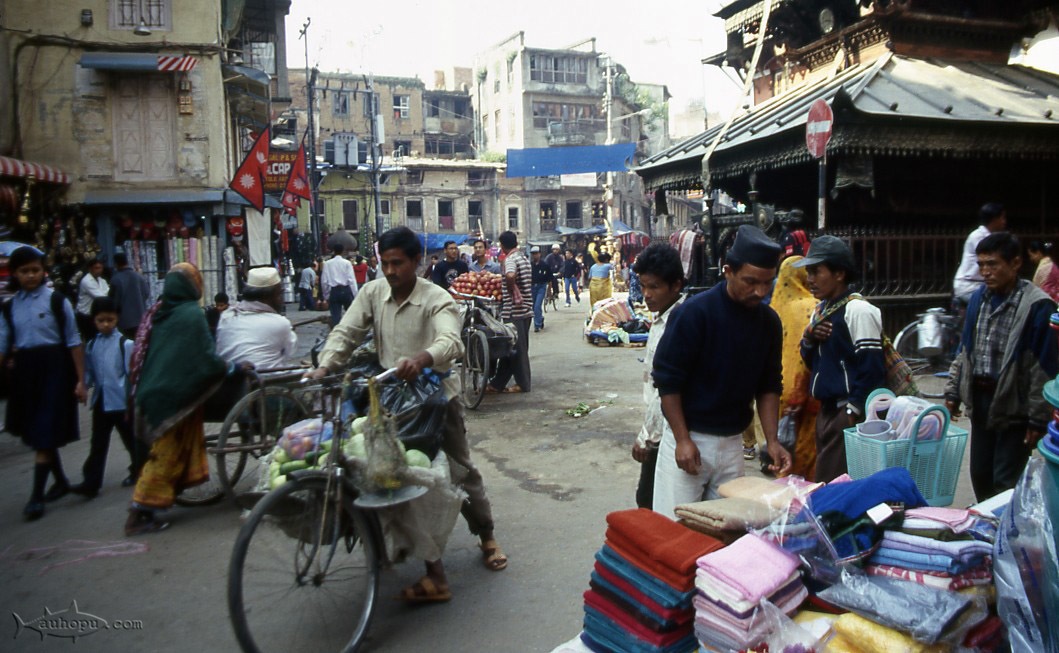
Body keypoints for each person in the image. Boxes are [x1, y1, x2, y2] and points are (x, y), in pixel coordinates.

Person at [305, 226, 507, 603]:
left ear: (418, 262)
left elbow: (450, 340)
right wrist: (324, 366)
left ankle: (487, 534)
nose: (391, 270)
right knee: (393, 475)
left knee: (460, 469)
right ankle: (427, 565)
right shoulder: (372, 292)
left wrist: (422, 358)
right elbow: (346, 332)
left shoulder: (437, 299)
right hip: (389, 400)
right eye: (385, 262)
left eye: (398, 263)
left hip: (434, 398)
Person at [651, 225, 792, 518]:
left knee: (724, 531)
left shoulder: (769, 322)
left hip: (731, 444)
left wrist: (772, 440)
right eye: (750, 281)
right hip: (691, 436)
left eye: (768, 282)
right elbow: (667, 382)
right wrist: (682, 440)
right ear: (727, 271)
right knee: (674, 528)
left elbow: (769, 385)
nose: (760, 291)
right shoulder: (694, 313)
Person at [126, 263, 246, 535]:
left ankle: (157, 501)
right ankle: (138, 512)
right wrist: (234, 368)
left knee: (168, 450)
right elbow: (204, 359)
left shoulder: (160, 312)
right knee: (165, 454)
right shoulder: (191, 314)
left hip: (151, 391)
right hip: (172, 395)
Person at [944, 232, 1058, 500]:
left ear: (1015, 263)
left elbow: (1042, 368)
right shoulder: (977, 300)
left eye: (993, 264)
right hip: (981, 401)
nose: (985, 271)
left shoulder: (1037, 305)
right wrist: (952, 392)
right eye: (982, 264)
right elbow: (965, 352)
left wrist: (1037, 419)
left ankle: (1005, 536)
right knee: (980, 474)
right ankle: (986, 534)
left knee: (1005, 480)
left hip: (1015, 406)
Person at [0, 246, 87, 520]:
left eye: (35, 270)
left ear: (43, 271)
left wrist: (81, 380)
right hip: (26, 371)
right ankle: (60, 480)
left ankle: (36, 496)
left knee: (45, 428)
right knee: (36, 430)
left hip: (55, 369)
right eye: (24, 271)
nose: (30, 276)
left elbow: (74, 342)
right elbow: (3, 343)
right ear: (15, 274)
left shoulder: (57, 301)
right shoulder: (9, 307)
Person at [795, 235, 886, 483]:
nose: (810, 279)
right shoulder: (821, 310)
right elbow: (809, 360)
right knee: (826, 481)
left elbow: (872, 368)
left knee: (835, 486)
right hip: (826, 410)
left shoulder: (858, 310)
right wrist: (809, 338)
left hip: (845, 413)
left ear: (839, 274)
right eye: (808, 272)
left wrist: (851, 410)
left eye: (816, 272)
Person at [70, 297, 142, 498]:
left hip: (121, 402)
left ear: (117, 319)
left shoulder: (125, 344)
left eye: (109, 320)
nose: (105, 324)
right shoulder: (92, 345)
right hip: (102, 401)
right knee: (98, 443)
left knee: (130, 440)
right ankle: (91, 482)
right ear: (94, 320)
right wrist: (82, 385)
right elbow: (90, 374)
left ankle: (139, 471)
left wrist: (135, 399)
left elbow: (133, 374)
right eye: (101, 320)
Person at [631, 243, 685, 509]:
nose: (646, 295)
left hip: (669, 432)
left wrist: (646, 436)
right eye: (643, 286)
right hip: (666, 430)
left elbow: (662, 387)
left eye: (654, 287)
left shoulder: (678, 323)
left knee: (650, 501)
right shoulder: (663, 317)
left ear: (675, 285)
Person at [770, 256, 820, 480]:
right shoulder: (810, 307)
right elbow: (803, 356)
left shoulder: (774, 308)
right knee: (807, 452)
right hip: (804, 393)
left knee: (785, 448)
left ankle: (786, 499)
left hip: (776, 392)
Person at [216, 267, 298, 371]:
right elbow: (289, 353)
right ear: (267, 296)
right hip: (266, 380)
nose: (282, 300)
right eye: (280, 294)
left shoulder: (226, 316)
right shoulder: (280, 323)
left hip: (230, 380)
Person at [488, 231, 533, 394]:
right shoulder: (523, 258)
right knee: (510, 348)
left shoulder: (510, 260)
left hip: (515, 311)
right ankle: (497, 383)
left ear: (502, 245)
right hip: (526, 309)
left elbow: (510, 274)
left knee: (518, 350)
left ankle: (523, 384)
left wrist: (512, 287)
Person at [953, 202, 1007, 307]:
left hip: (979, 284)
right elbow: (993, 260)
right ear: (994, 219)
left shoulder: (989, 236)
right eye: (1002, 217)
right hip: (969, 286)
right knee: (997, 305)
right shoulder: (979, 237)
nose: (1004, 221)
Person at [108, 252, 151, 339]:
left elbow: (114, 302)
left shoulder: (116, 279)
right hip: (140, 318)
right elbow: (146, 293)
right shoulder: (139, 277)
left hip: (124, 321)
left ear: (116, 264)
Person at [321, 243, 358, 327]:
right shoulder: (347, 263)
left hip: (334, 291)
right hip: (346, 290)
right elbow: (351, 280)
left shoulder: (327, 263)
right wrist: (355, 295)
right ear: (342, 251)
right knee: (351, 314)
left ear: (333, 251)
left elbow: (324, 281)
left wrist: (326, 295)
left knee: (335, 316)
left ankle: (337, 332)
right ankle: (350, 330)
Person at [76, 258, 110, 341]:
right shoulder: (86, 281)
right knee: (90, 339)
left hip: (95, 314)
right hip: (85, 315)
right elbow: (101, 296)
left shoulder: (102, 280)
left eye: (101, 268)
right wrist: (106, 293)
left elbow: (108, 293)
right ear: (90, 269)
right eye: (96, 268)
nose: (99, 270)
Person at [529, 246, 553, 332]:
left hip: (541, 287)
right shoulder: (530, 265)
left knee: (537, 306)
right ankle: (540, 318)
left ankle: (537, 325)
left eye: (536, 253)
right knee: (533, 307)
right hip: (532, 287)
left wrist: (549, 291)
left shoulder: (545, 265)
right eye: (533, 254)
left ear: (540, 254)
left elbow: (550, 279)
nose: (535, 255)